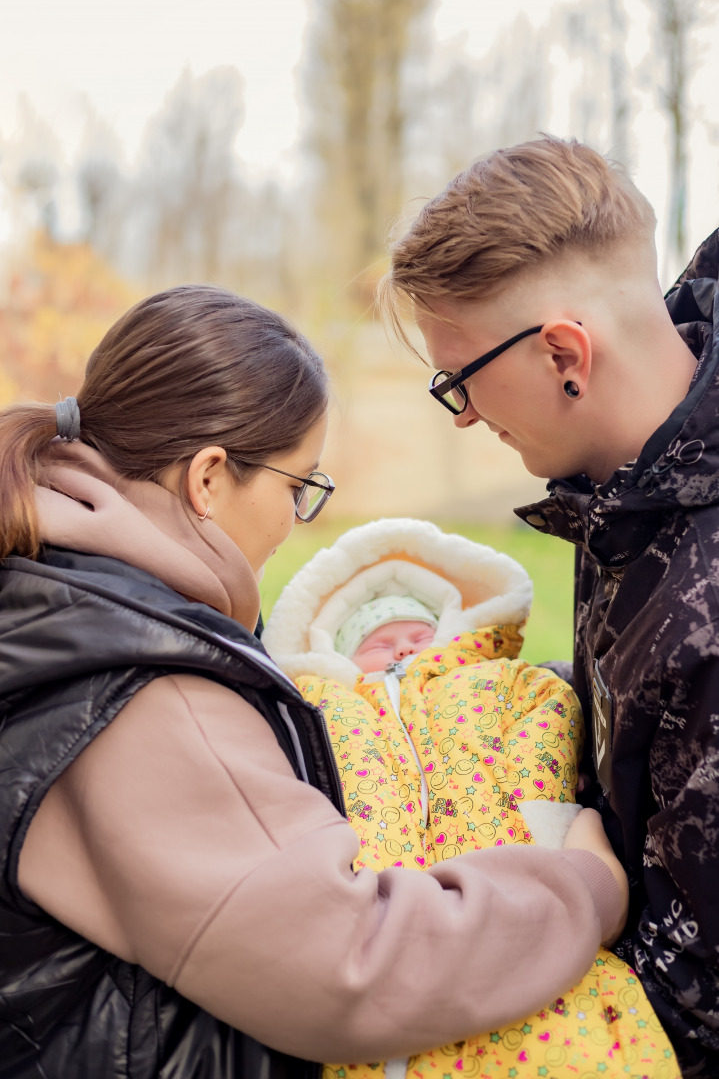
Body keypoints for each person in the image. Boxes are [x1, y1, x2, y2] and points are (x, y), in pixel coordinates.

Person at [0, 284, 627, 1079]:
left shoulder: (53, 593)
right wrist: (582, 887)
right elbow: (348, 962)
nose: (296, 517)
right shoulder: (146, 691)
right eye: (299, 487)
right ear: (208, 479)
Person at [379, 135, 719, 1076]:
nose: (461, 416)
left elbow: (696, 1004)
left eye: (460, 380)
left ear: (564, 352)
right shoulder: (633, 483)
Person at [263, 517, 677, 1078]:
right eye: (378, 644)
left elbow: (550, 712)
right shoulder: (329, 708)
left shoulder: (494, 679)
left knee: (563, 1030)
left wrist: (543, 813)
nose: (401, 652)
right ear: (337, 655)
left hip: (503, 849)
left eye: (417, 636)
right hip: (383, 889)